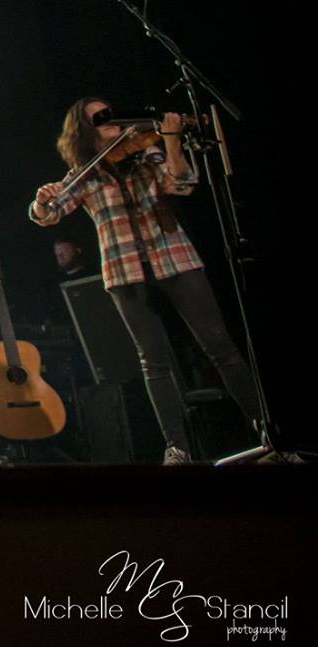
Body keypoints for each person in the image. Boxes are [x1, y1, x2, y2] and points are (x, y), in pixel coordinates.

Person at [29, 98, 260, 463]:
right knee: (153, 361)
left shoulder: (147, 152)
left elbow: (182, 184)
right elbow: (48, 214)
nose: (112, 120)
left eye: (112, 114)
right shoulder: (84, 174)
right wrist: (42, 200)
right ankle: (177, 449)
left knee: (220, 346)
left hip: (174, 255)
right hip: (124, 270)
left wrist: (171, 141)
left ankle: (266, 432)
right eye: (100, 118)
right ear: (84, 130)